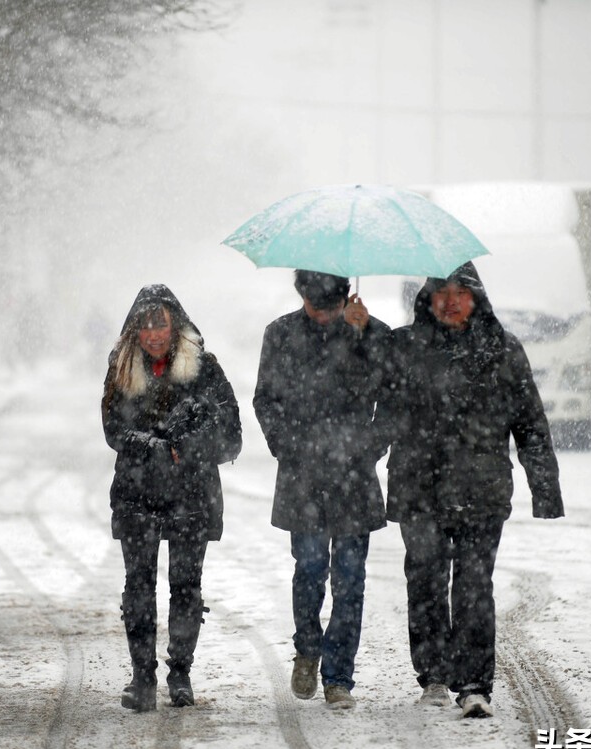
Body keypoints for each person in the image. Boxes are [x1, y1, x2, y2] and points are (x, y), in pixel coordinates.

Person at [374, 262, 564, 719]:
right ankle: (434, 675)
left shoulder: (502, 349)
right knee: (425, 582)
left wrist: (545, 489)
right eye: (441, 290)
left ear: (477, 297)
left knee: (475, 587)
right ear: (427, 298)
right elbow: (377, 408)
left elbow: (531, 425)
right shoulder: (403, 347)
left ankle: (475, 682)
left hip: (482, 490)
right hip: (418, 488)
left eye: (461, 291)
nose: (451, 300)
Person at [253, 269, 390, 710]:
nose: (324, 316)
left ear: (345, 296)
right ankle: (308, 648)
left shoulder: (367, 332)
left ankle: (339, 677)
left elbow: (393, 390)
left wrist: (369, 447)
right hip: (304, 475)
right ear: (302, 297)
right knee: (310, 568)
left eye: (331, 307)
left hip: (354, 476)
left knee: (350, 580)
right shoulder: (280, 334)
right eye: (316, 308)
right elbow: (265, 400)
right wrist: (289, 448)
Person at [101, 284, 242, 712]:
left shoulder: (204, 368)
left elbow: (231, 434)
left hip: (191, 495)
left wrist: (189, 443)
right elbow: (112, 429)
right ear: (133, 330)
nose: (153, 334)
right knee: (138, 587)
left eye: (159, 323)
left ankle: (180, 673)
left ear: (175, 323)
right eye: (144, 325)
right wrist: (152, 447)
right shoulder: (121, 369)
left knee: (185, 586)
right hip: (137, 493)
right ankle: (142, 677)